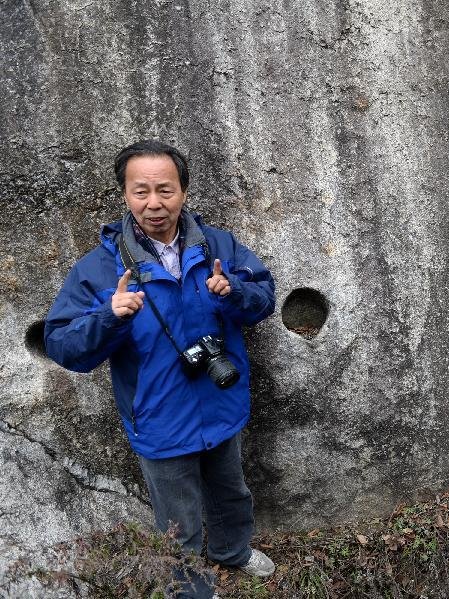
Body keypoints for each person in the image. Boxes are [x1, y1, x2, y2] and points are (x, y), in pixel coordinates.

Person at [44, 140, 276, 598]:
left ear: (183, 192)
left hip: (221, 402)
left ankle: (232, 551)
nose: (154, 203)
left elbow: (264, 298)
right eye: (141, 191)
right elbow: (63, 345)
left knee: (232, 494)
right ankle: (191, 592)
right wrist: (109, 317)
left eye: (165, 190)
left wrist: (234, 292)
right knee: (178, 525)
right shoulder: (99, 269)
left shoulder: (218, 245)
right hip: (159, 419)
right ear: (125, 195)